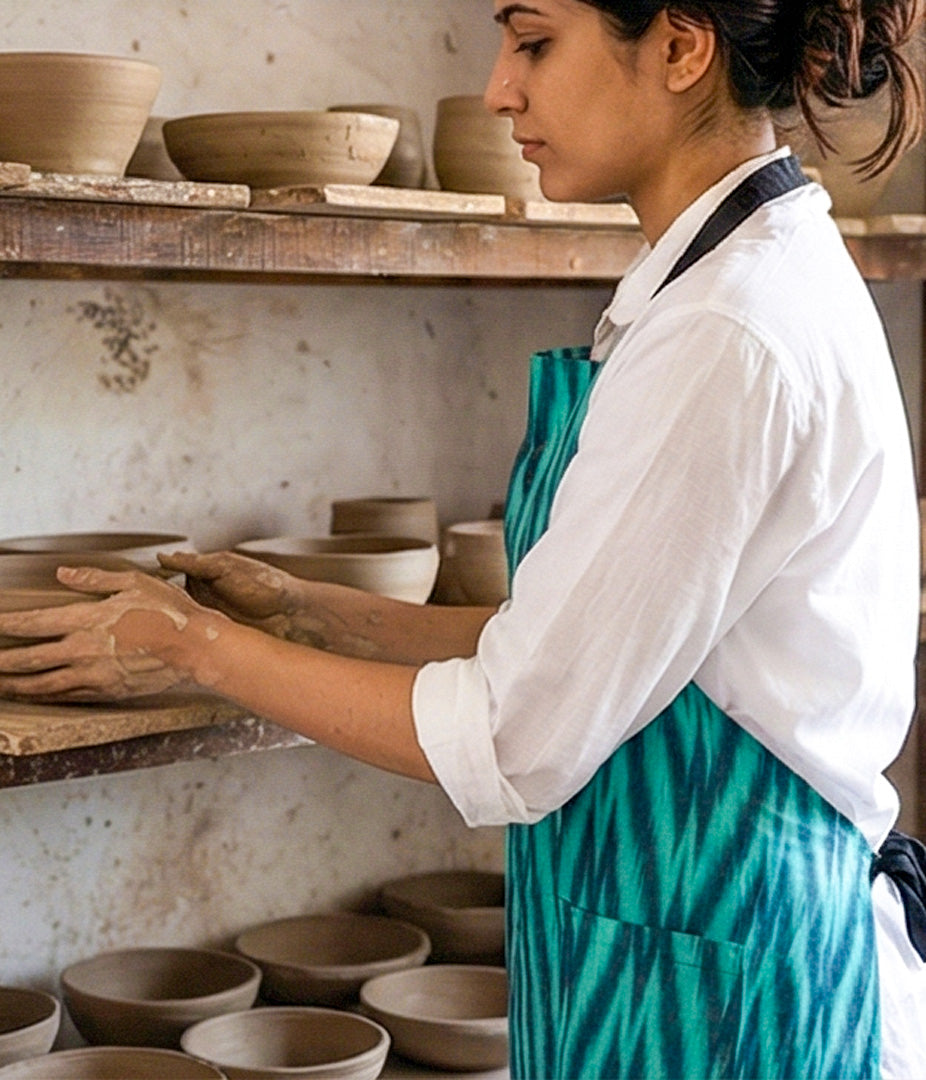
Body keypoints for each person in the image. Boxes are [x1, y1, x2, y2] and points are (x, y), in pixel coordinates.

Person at [0, 0, 923, 1075]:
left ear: (678, 47)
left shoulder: (727, 330)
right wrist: (307, 609)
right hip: (680, 941)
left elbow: (515, 732)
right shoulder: (725, 284)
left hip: (731, 989)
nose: (498, 90)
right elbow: (578, 642)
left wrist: (193, 649)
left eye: (532, 42)